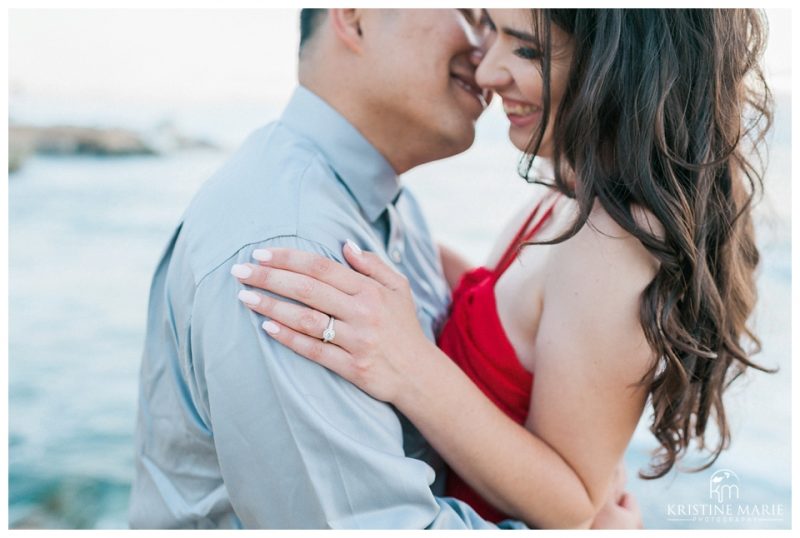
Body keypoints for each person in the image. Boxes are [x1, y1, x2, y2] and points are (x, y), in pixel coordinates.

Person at [231, 8, 774, 529]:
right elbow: (515, 327)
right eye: (491, 29)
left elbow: (573, 508)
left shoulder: (611, 242)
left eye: (527, 49)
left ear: (618, 66)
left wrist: (407, 362)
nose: (487, 71)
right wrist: (347, 226)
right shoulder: (564, 201)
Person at [130, 8, 640, 529]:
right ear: (354, 17)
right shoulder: (290, 251)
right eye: (467, 14)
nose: (485, 57)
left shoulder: (384, 207)